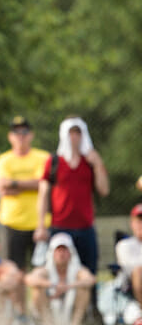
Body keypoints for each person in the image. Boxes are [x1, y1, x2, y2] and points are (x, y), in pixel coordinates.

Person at [34, 117, 109, 276]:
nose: (74, 137)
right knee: (58, 273)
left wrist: (97, 164)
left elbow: (104, 190)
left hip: (85, 226)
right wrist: (41, 225)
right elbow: (43, 194)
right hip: (59, 226)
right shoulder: (54, 162)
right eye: (71, 133)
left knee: (89, 272)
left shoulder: (89, 162)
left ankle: (89, 302)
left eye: (78, 133)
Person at [0, 116, 49, 271]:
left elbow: (43, 184)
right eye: (16, 132)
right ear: (10, 136)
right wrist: (31, 184)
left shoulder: (43, 157)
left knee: (42, 270)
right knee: (15, 272)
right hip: (12, 222)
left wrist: (14, 183)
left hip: (40, 223)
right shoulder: (3, 160)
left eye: (24, 132)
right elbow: (3, 188)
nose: (21, 136)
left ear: (31, 135)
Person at [25, 232, 95, 325]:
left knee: (83, 290)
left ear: (70, 252)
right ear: (52, 253)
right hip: (50, 306)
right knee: (37, 289)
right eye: (58, 250)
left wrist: (68, 286)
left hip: (71, 308)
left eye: (64, 250)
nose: (61, 254)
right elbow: (29, 279)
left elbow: (90, 279)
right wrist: (53, 285)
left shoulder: (78, 270)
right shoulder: (45, 270)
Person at [115, 204, 142, 310]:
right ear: (132, 224)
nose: (141, 224)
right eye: (138, 221)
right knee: (139, 272)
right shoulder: (124, 245)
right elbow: (129, 267)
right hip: (130, 282)